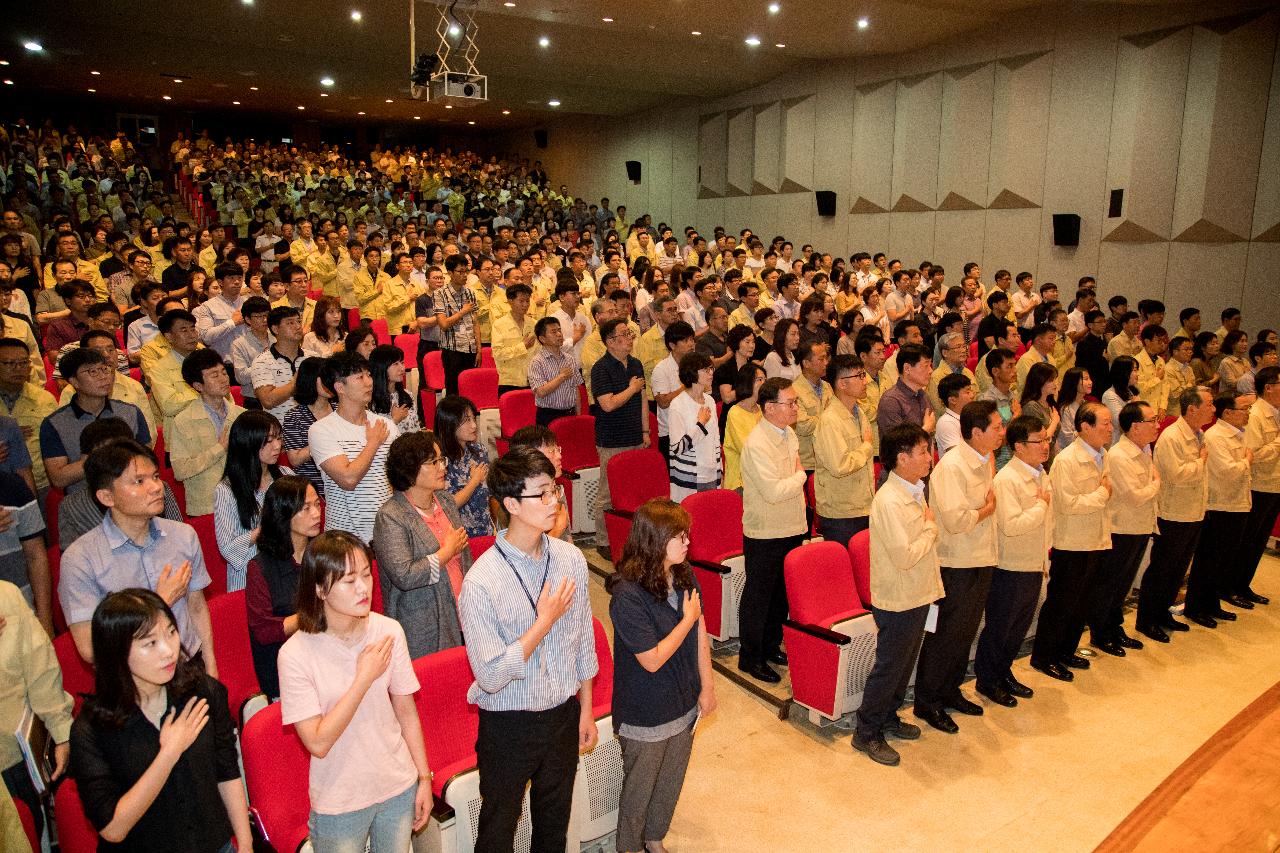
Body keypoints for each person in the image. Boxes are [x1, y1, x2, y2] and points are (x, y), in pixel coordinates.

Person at [458, 446, 598, 853]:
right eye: (543, 494)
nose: (555, 501)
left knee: (553, 830)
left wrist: (585, 708)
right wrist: (543, 623)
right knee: (499, 831)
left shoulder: (570, 559)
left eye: (554, 490)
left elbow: (583, 643)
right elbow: (489, 675)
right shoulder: (482, 582)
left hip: (562, 715)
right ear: (512, 504)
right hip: (508, 725)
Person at [278, 531, 434, 853]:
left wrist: (424, 779)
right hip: (340, 800)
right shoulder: (295, 654)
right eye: (349, 581)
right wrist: (363, 679)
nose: (363, 588)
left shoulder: (388, 630)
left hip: (397, 785)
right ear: (320, 589)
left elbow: (407, 713)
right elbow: (318, 742)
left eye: (366, 574)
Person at [69, 589, 251, 852]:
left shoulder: (202, 691)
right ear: (117, 653)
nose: (169, 651)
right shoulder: (90, 730)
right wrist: (169, 752)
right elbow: (113, 829)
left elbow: (227, 771)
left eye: (170, 633)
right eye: (150, 643)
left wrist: (245, 844)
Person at [607, 498, 714, 853]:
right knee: (639, 791)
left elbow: (700, 631)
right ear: (654, 540)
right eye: (679, 536)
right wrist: (686, 620)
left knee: (669, 781)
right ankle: (631, 847)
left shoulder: (683, 573)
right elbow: (651, 660)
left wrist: (707, 685)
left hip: (683, 701)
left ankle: (654, 839)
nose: (687, 542)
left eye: (687, 535)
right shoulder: (626, 595)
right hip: (646, 712)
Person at [852, 423, 938, 766]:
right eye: (922, 452)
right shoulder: (888, 501)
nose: (929, 458)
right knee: (889, 667)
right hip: (899, 596)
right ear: (902, 459)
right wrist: (931, 528)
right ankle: (866, 731)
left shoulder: (915, 489)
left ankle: (888, 716)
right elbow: (905, 555)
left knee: (904, 665)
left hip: (918, 590)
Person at [913, 400, 1003, 729]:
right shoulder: (952, 466)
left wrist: (984, 511)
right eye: (996, 427)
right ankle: (928, 701)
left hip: (981, 556)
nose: (1001, 433)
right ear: (975, 432)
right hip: (957, 562)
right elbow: (954, 520)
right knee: (946, 634)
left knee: (965, 632)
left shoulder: (985, 459)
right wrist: (987, 510)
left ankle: (950, 691)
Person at [1030, 402, 1112, 682]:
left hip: (1095, 537)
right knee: (1062, 602)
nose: (1110, 429)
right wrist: (1102, 495)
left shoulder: (1102, 455)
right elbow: (1068, 504)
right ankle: (1045, 656)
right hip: (1071, 541)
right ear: (1085, 427)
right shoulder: (1067, 460)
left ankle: (1066, 649)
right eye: (1105, 423)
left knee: (1082, 601)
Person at [372, 431, 473, 658]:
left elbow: (465, 554)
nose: (442, 467)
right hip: (422, 622)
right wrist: (445, 553)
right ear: (409, 469)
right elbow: (404, 575)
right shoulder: (391, 516)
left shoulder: (445, 501)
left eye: (442, 460)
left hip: (462, 612)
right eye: (433, 462)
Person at [974, 415, 1051, 707]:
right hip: (1010, 566)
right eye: (1038, 441)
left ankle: (1004, 672)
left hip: (1033, 562)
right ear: (1018, 446)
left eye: (1046, 439)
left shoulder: (1040, 473)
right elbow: (1011, 525)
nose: (1045, 446)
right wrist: (1041, 506)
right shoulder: (1007, 479)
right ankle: (988, 679)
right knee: (1000, 627)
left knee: (1019, 625)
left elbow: (1045, 523)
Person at [736, 378, 807, 683]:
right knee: (759, 596)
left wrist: (795, 477)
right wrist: (801, 477)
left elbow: (787, 481)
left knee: (782, 595)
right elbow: (774, 491)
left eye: (795, 402)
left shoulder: (789, 434)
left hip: (792, 524)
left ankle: (770, 645)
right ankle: (750, 657)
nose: (795, 407)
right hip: (765, 531)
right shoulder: (756, 444)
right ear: (769, 408)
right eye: (789, 403)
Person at [0, 577, 74, 845]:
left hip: (13, 759)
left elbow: (40, 670)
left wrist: (61, 731)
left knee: (31, 836)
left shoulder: (5, 597)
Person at [1136, 387, 1213, 643]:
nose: (1213, 410)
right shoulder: (1172, 437)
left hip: (1193, 510)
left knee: (1178, 569)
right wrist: (1201, 461)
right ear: (1192, 409)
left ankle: (1163, 613)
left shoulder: (1198, 433)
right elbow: (1176, 474)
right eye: (1209, 405)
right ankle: (1147, 619)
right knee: (1163, 568)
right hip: (1173, 513)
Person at [1089, 401, 1159, 656]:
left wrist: (1151, 485)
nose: (1156, 425)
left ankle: (1115, 626)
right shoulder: (1119, 455)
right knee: (1110, 583)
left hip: (1140, 524)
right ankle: (1101, 632)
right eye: (1151, 421)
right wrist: (1156, 484)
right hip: (1122, 527)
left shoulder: (1145, 449)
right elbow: (1134, 496)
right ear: (1134, 426)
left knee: (1124, 583)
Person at [245, 475, 321, 700]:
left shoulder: (324, 554)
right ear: (283, 514)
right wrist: (315, 615)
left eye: (317, 504)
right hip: (284, 670)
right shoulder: (261, 567)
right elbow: (264, 630)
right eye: (306, 508)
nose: (317, 513)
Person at [310, 352, 398, 543]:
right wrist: (373, 443)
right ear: (340, 387)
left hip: (387, 533)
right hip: (343, 538)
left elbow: (399, 479)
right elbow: (348, 479)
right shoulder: (321, 430)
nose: (369, 382)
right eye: (360, 377)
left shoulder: (386, 425)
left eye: (369, 375)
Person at [1182, 392, 1253, 628]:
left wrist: (1243, 464)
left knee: (1224, 558)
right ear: (1228, 413)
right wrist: (1246, 462)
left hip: (1237, 502)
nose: (1247, 414)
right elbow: (1227, 471)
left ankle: (1212, 603)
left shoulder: (1238, 434)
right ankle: (1197, 606)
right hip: (1219, 505)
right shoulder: (1215, 436)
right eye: (1243, 409)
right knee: (1208, 559)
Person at [42, 347, 151, 492]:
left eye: (105, 369)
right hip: (84, 503)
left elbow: (147, 458)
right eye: (93, 371)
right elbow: (58, 478)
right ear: (74, 381)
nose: (103, 376)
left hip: (132, 495)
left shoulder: (129, 412)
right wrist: (107, 454)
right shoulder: (55, 424)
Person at [590, 317, 648, 559]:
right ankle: (603, 540)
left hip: (635, 436)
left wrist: (646, 431)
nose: (630, 338)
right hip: (612, 439)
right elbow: (607, 404)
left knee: (634, 490)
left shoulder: (635, 364)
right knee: (607, 492)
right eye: (625, 334)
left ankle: (631, 538)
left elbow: (643, 399)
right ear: (611, 341)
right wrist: (631, 389)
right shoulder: (600, 368)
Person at [213, 411, 283, 593]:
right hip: (247, 580)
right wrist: (265, 530)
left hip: (284, 573)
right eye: (268, 440)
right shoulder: (226, 490)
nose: (277, 446)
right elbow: (228, 548)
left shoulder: (285, 476)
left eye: (279, 438)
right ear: (248, 443)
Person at [171, 347, 245, 517]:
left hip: (242, 503)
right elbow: (180, 470)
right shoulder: (183, 421)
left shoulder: (241, 415)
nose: (224, 379)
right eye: (214, 375)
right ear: (198, 385)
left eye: (223, 372)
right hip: (206, 507)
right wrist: (219, 448)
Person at [812, 354, 874, 547]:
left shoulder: (859, 412)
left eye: (863, 375)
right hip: (842, 513)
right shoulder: (830, 420)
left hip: (863, 504)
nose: (865, 381)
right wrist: (866, 447)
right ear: (841, 384)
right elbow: (840, 465)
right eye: (859, 376)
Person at [1236, 366, 1280, 607]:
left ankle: (1244, 584)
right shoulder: (1256, 414)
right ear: (1269, 388)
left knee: (1260, 540)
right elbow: (1253, 453)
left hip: (1276, 483)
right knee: (1248, 539)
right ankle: (1233, 585)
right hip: (1259, 484)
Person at [0, 336, 57, 494]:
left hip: (42, 484)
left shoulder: (44, 399)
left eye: (24, 363)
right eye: (9, 363)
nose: (18, 368)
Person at [436, 394, 494, 538]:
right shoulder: (440, 461)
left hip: (486, 530)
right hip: (459, 538)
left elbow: (490, 493)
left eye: (473, 418)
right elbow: (449, 506)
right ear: (450, 424)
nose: (474, 425)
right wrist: (474, 481)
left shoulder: (480, 451)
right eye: (466, 420)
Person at [667, 352, 722, 502]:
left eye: (711, 369)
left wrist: (719, 471)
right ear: (692, 373)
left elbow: (716, 440)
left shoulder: (710, 400)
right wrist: (700, 425)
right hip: (690, 476)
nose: (711, 373)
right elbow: (677, 449)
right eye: (706, 370)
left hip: (711, 472)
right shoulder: (678, 405)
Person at [507, 425, 574, 542]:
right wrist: (557, 530)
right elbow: (522, 553)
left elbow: (567, 539)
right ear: (530, 457)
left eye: (558, 449)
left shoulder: (557, 489)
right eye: (552, 451)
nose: (559, 456)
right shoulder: (518, 501)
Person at [282, 356, 332, 494]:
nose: (331, 381)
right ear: (311, 379)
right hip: (311, 489)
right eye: (325, 377)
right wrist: (324, 439)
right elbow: (295, 459)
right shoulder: (294, 416)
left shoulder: (340, 409)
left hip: (340, 484)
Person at [435, 254, 480, 396]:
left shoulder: (470, 293)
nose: (464, 275)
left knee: (471, 390)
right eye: (460, 272)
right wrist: (462, 312)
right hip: (452, 350)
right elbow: (443, 324)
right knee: (454, 392)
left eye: (466, 271)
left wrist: (479, 349)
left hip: (471, 349)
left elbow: (475, 322)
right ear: (450, 273)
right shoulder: (440, 294)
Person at [250, 305, 306, 421]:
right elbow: (268, 401)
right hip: (279, 430)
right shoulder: (262, 362)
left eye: (298, 321)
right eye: (290, 323)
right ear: (275, 329)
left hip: (312, 428)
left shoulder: (312, 357)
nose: (298, 327)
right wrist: (295, 383)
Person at [527, 316, 581, 425]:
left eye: (559, 330)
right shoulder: (536, 362)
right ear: (542, 339)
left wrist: (578, 417)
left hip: (570, 414)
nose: (559, 334)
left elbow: (576, 390)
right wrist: (561, 377)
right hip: (549, 416)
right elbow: (540, 392)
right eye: (553, 332)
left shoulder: (569, 359)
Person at [228, 296, 273, 410]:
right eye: (258, 316)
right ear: (248, 320)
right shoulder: (239, 344)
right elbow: (241, 377)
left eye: (266, 315)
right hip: (254, 401)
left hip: (279, 395)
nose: (264, 319)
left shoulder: (278, 339)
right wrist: (263, 362)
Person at [369, 343, 421, 434]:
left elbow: (416, 429)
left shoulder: (407, 395)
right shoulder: (370, 401)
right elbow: (376, 438)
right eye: (395, 364)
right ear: (382, 368)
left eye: (402, 363)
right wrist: (395, 420)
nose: (402, 368)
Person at [934, 372, 975, 457]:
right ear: (953, 400)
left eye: (971, 390)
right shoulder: (946, 422)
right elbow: (958, 457)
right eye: (967, 392)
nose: (972, 395)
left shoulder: (970, 417)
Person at [1055, 366, 1092, 454]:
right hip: (1069, 453)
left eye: (1090, 378)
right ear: (1074, 382)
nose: (1090, 382)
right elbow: (1068, 439)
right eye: (1086, 379)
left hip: (1086, 449)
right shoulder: (1065, 409)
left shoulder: (1086, 404)